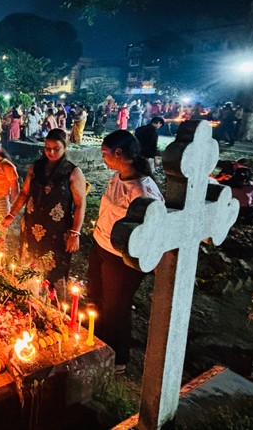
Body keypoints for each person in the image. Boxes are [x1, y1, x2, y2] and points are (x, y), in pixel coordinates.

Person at [88, 130, 164, 374]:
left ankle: (117, 358)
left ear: (119, 153)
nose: (103, 158)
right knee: (97, 299)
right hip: (101, 246)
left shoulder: (143, 191)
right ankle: (97, 343)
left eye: (105, 153)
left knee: (116, 307)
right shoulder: (117, 177)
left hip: (122, 258)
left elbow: (155, 228)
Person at [3, 129, 86, 289]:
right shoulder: (37, 167)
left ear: (65, 148)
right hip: (31, 225)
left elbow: (80, 204)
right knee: (29, 264)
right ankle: (28, 298)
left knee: (53, 270)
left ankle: (52, 307)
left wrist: (75, 233)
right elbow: (25, 193)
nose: (51, 152)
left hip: (57, 230)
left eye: (56, 149)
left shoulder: (73, 172)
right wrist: (12, 214)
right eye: (47, 148)